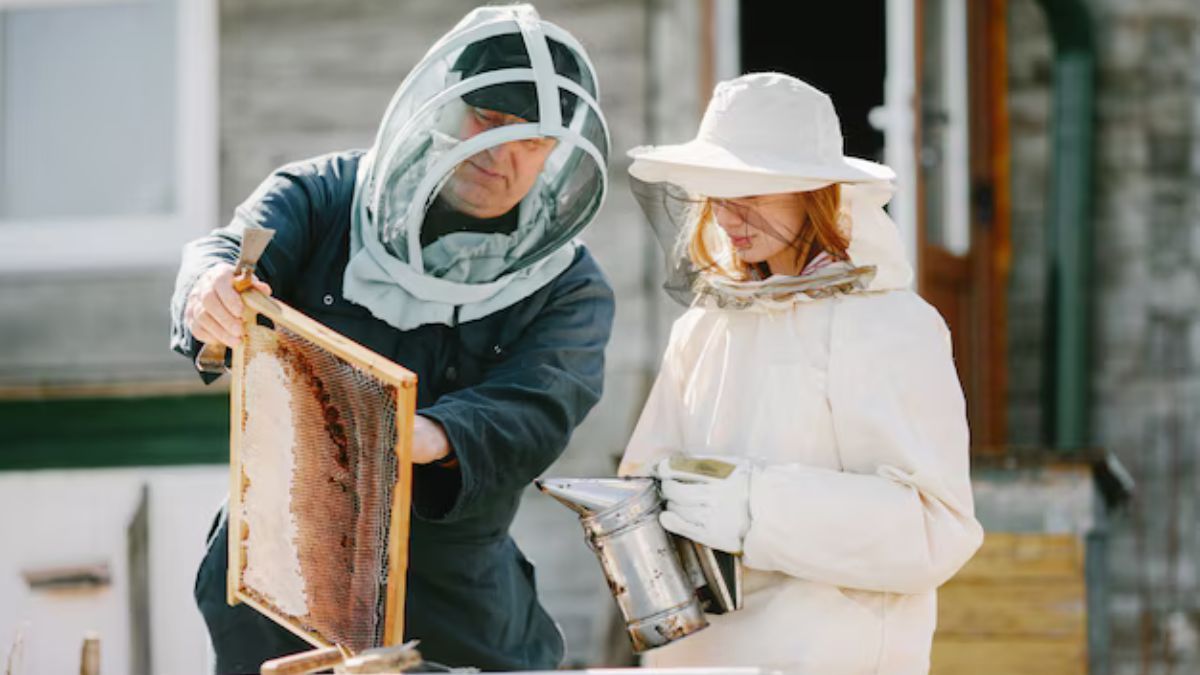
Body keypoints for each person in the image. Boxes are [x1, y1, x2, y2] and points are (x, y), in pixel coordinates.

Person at [169, 5, 614, 673]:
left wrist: (410, 434)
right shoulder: (319, 197)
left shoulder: (570, 285)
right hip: (284, 566)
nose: (502, 154)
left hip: (458, 598)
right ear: (440, 104)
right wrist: (208, 290)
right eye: (486, 121)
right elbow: (226, 251)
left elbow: (539, 406)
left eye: (532, 143)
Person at [618, 72, 984, 674]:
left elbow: (935, 526)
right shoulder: (703, 327)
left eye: (752, 193)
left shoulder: (889, 325)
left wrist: (759, 507)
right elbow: (648, 486)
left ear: (814, 193)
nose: (728, 216)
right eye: (717, 192)